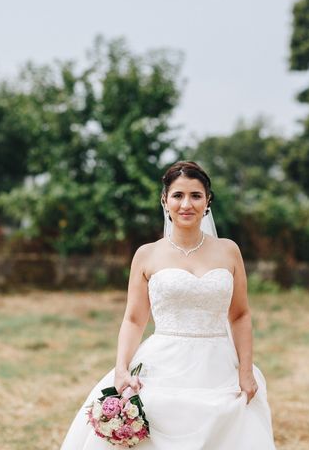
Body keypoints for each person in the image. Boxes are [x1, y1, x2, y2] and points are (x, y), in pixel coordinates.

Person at [60, 161, 276, 449]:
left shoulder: (229, 250)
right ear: (165, 200)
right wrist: (121, 368)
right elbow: (134, 319)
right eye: (177, 195)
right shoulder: (147, 255)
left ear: (207, 201)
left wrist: (246, 371)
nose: (186, 204)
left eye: (196, 196)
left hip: (218, 365)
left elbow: (239, 315)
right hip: (162, 362)